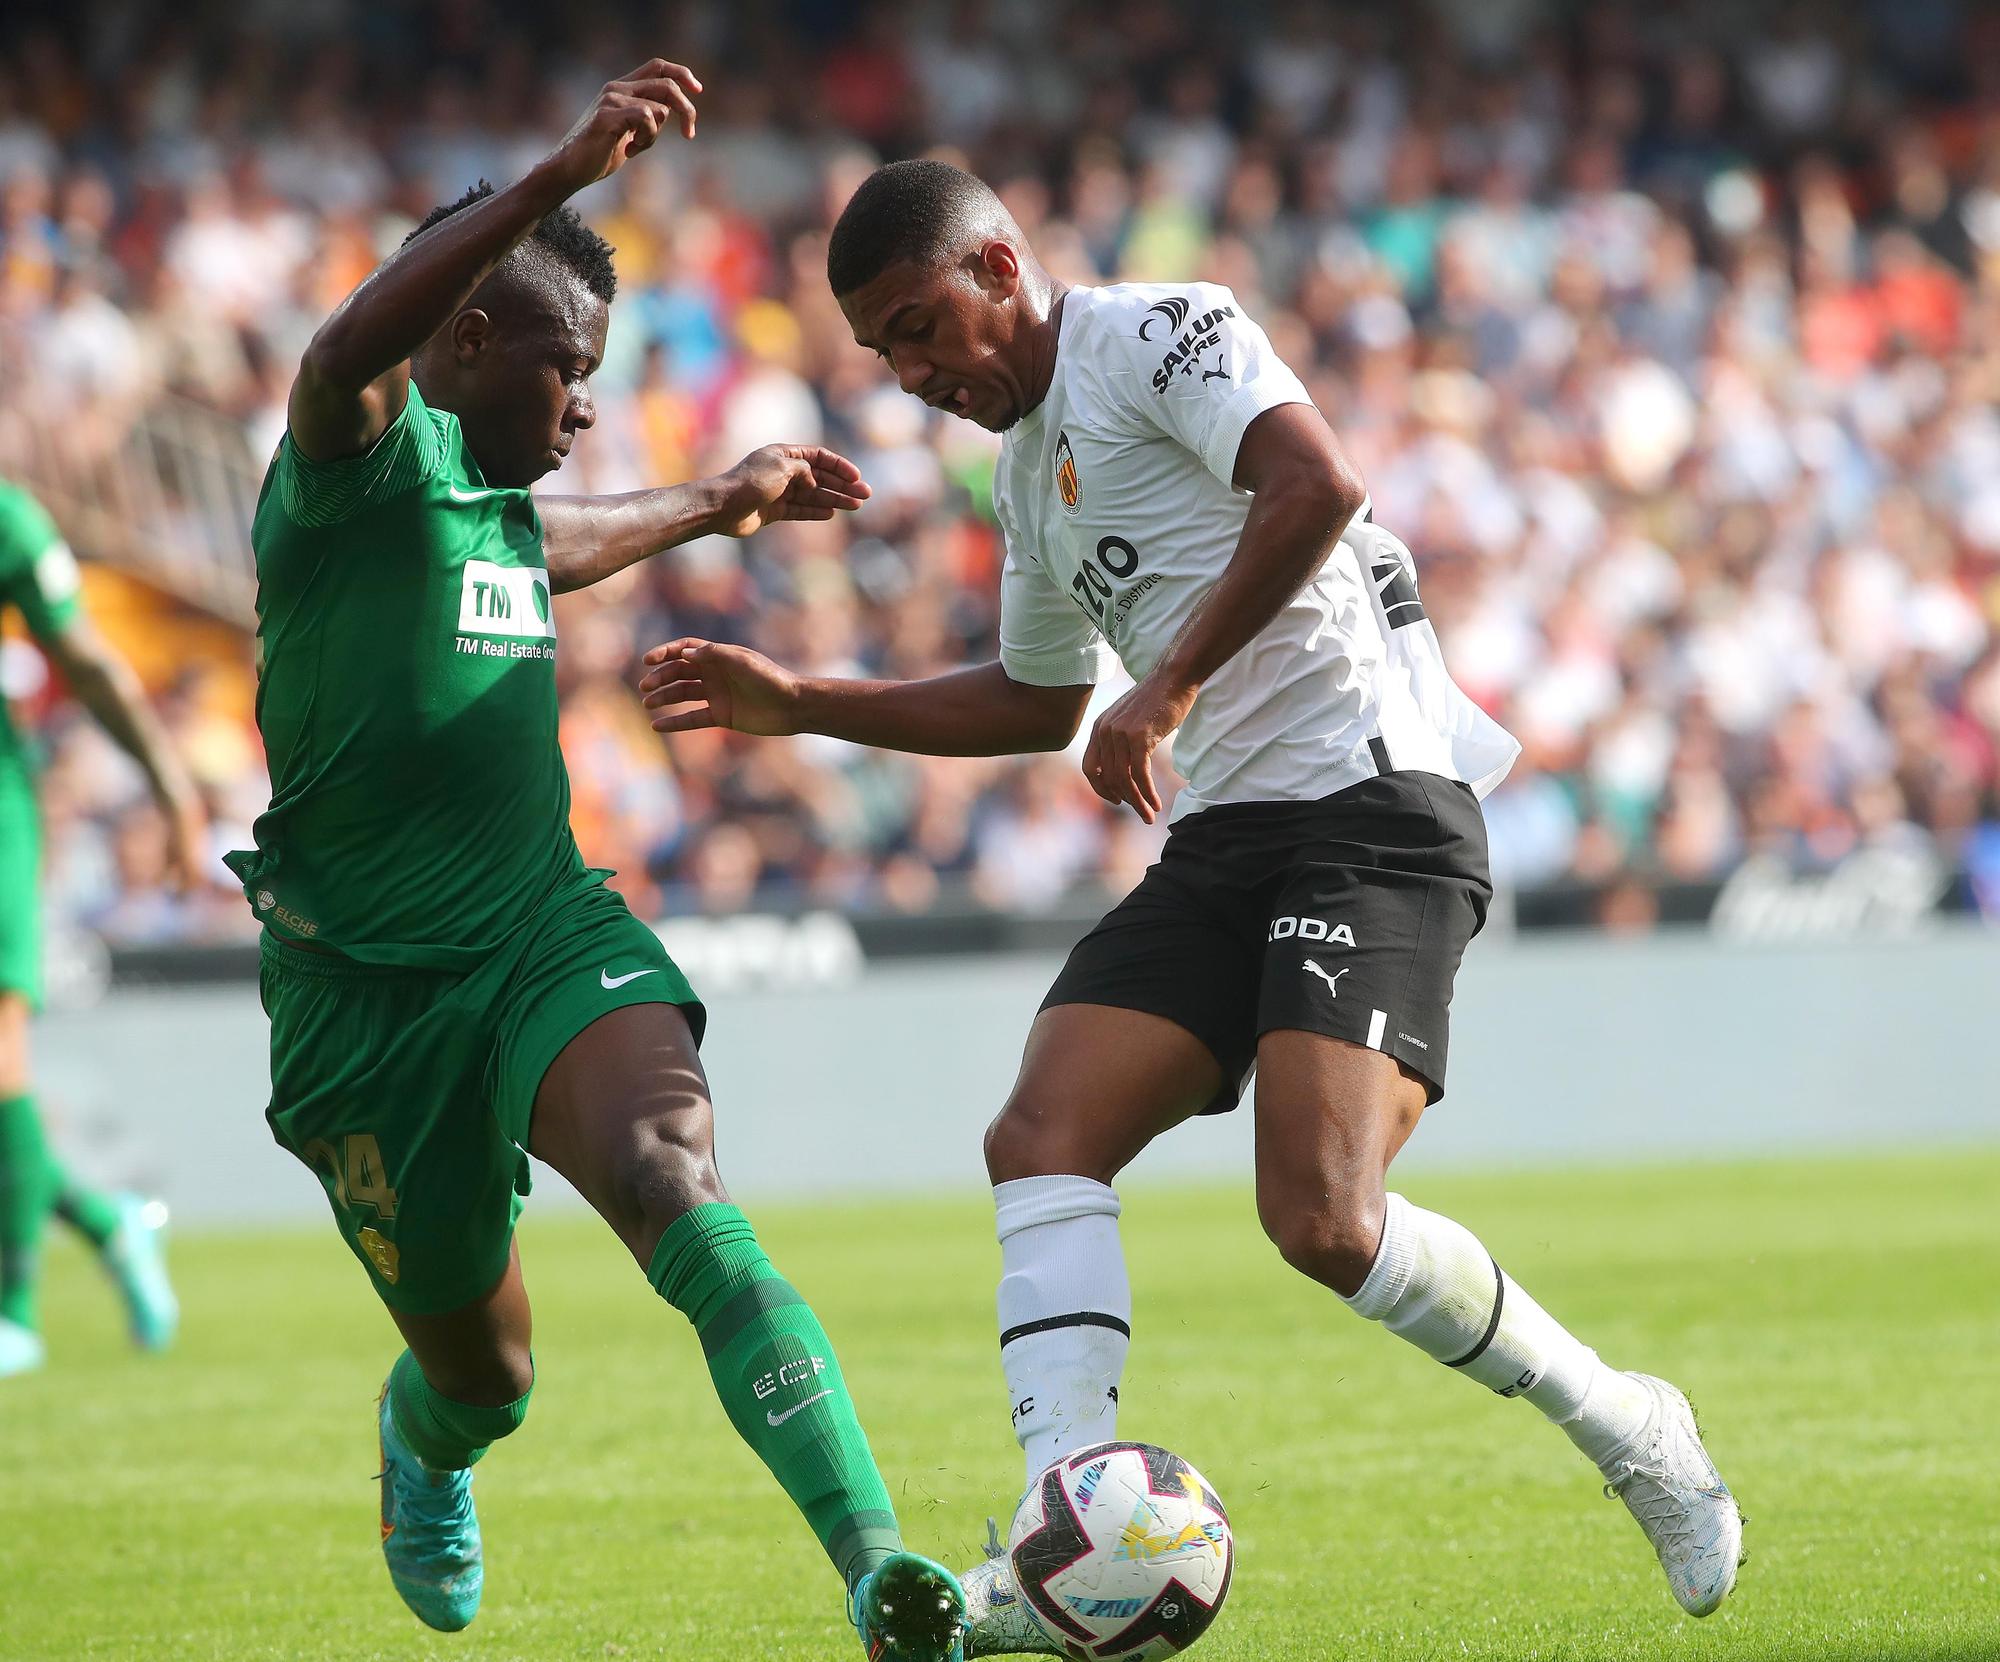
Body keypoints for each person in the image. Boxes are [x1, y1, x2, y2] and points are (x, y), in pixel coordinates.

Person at [639, 160, 1743, 1653]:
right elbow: (1039, 701)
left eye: (919, 325)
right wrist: (807, 704)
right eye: (885, 352)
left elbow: (1315, 485)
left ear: (1001, 268)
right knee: (1041, 1134)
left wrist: (1161, 685)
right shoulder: (1027, 471)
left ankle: (1629, 1423)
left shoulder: (1161, 332)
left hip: (1372, 807)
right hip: (1227, 835)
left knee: (1325, 1219)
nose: (910, 375)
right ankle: (1057, 1536)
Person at [223, 68, 965, 1657]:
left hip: (537, 937)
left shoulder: (495, 517)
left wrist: (723, 497)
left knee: (672, 1178)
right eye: (566, 371)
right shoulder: (346, 469)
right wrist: (561, 170)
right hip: (360, 1003)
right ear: (469, 343)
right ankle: (425, 1445)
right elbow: (345, 345)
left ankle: (877, 1557)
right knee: (489, 1376)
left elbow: (560, 542)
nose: (580, 409)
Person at [0, 477, 194, 1380]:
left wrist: (168, 784)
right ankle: (105, 1220)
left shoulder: (9, 518)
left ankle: (15, 1316)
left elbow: (84, 657)